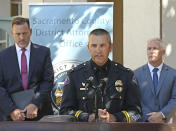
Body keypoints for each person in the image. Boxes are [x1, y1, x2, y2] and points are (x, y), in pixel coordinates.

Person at [60, 28, 142, 122]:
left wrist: (114, 118)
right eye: (94, 46)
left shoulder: (125, 75)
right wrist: (87, 117)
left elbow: (137, 113)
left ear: (110, 47)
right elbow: (64, 111)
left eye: (102, 45)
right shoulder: (75, 75)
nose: (98, 50)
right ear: (88, 48)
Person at [0, 17, 54, 121]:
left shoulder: (43, 52)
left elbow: (48, 81)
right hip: (10, 117)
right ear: (12, 33)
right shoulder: (2, 56)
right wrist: (11, 110)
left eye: (24, 33)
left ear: (30, 31)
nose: (21, 37)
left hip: (40, 114)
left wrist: (35, 104)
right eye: (18, 34)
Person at [134, 38, 176, 123]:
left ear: (163, 52)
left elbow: (174, 98)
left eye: (155, 48)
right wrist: (148, 116)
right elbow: (135, 100)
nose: (151, 51)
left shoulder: (173, 74)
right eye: (149, 49)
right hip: (144, 123)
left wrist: (161, 114)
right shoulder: (136, 74)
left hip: (166, 123)